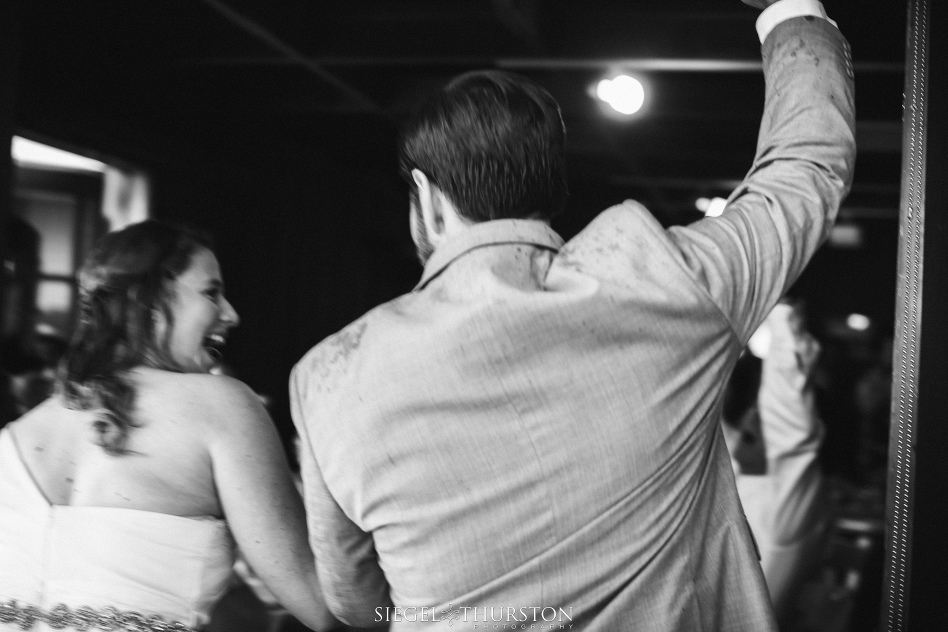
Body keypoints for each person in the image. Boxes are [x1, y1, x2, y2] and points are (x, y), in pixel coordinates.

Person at [290, 0, 855, 629]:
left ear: (425, 195)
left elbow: (352, 602)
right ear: (550, 188)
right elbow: (803, 172)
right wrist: (790, 9)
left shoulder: (328, 378)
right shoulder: (665, 283)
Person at [0, 220, 337, 632]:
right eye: (212, 293)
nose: (231, 314)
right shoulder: (222, 407)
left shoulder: (15, 438)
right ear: (151, 301)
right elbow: (321, 606)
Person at [723, 302, 829, 627]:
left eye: (765, 413)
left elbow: (792, 432)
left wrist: (778, 308)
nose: (748, 431)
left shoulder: (786, 510)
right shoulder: (727, 479)